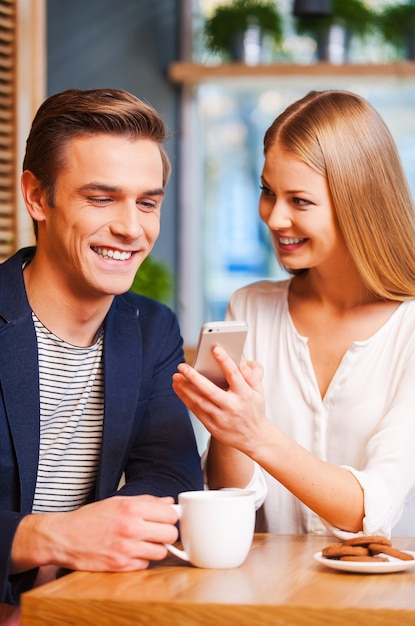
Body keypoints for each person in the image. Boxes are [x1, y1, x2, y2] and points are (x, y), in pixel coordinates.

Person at [173, 89, 415, 541]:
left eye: (299, 201)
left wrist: (256, 432)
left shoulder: (411, 328)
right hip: (273, 596)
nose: (275, 217)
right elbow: (233, 496)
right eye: (268, 192)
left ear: (358, 201)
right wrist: (227, 425)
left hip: (390, 604)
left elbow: (371, 509)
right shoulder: (249, 308)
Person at [0, 88, 203, 614]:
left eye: (147, 202)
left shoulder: (152, 328)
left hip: (80, 605)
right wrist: (51, 538)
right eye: (101, 197)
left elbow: (173, 476)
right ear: (37, 197)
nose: (131, 228)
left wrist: (88, 543)